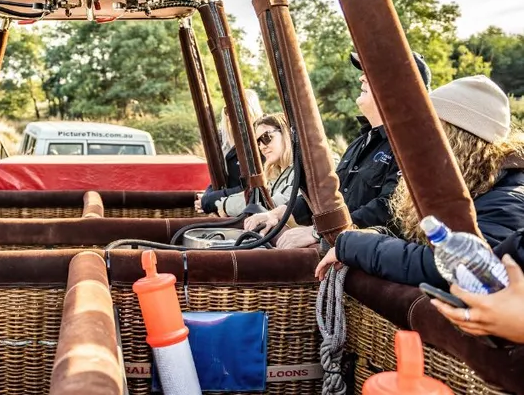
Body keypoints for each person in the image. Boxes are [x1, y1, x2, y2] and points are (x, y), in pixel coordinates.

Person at [315, 76, 524, 288]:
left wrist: (353, 245)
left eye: (427, 132)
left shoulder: (508, 201)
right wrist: (374, 234)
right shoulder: (469, 183)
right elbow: (413, 241)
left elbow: (448, 267)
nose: (416, 144)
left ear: (456, 141)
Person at [245, 51, 432, 249]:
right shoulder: (361, 142)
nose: (361, 77)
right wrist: (275, 215)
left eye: (371, 73)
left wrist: (319, 232)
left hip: (369, 264)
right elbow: (328, 196)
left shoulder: (413, 146)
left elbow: (391, 210)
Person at [216, 113, 296, 224]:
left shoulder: (299, 171)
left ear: (286, 134)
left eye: (266, 138)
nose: (262, 147)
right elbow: (256, 196)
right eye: (258, 142)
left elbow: (272, 204)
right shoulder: (275, 174)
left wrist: (225, 205)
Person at [196, 90, 265, 214]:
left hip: (247, 211)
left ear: (251, 111)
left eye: (237, 110)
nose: (230, 116)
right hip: (227, 209)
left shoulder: (260, 145)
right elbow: (222, 180)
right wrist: (207, 196)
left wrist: (209, 200)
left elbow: (252, 187)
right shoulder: (223, 141)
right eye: (228, 111)